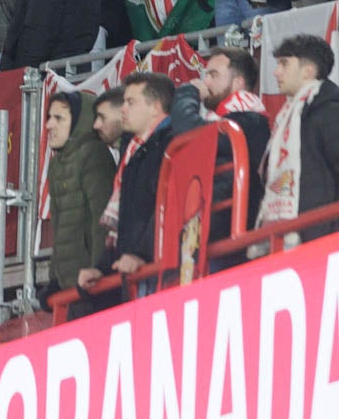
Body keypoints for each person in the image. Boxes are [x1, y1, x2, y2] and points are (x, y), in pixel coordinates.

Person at [78, 72, 174, 295]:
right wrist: (102, 268)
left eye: (131, 102)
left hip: (163, 275)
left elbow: (171, 207)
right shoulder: (135, 154)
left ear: (155, 107)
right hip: (141, 273)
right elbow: (128, 226)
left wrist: (141, 254)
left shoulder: (172, 143)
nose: (123, 109)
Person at [170, 46, 270, 229]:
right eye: (206, 75)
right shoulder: (224, 119)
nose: (205, 82)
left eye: (213, 75)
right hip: (210, 225)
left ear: (238, 82)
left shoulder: (250, 121)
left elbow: (191, 134)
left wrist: (188, 93)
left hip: (228, 228)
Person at [259, 35, 339, 238]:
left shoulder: (330, 112)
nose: (276, 72)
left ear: (308, 71)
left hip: (325, 238)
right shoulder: (286, 118)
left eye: (283, 63)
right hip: (297, 238)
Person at [44, 92, 115, 314]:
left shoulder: (94, 154)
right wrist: (54, 279)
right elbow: (58, 227)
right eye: (49, 117)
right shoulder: (57, 164)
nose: (48, 125)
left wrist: (98, 269)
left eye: (59, 118)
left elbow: (101, 220)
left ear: (77, 122)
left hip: (92, 286)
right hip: (71, 288)